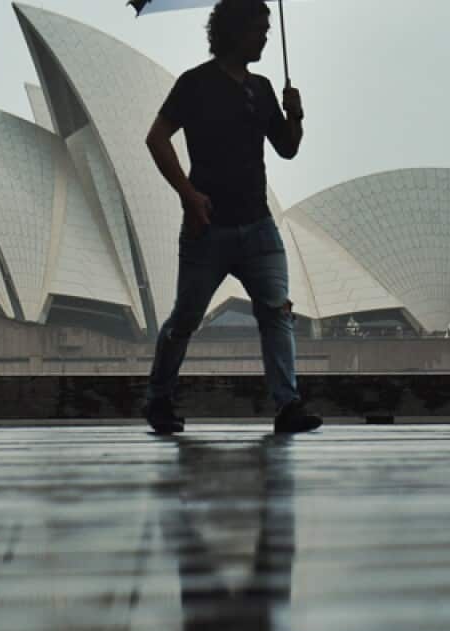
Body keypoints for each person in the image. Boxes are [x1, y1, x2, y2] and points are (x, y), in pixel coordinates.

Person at [144, 0, 322, 435]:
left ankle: (288, 405)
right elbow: (156, 138)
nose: (264, 37)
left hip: (258, 225)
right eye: (259, 29)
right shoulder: (195, 84)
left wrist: (294, 114)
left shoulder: (260, 89)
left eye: (267, 29)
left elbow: (287, 147)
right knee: (185, 319)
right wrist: (188, 195)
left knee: (277, 313)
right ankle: (159, 400)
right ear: (234, 31)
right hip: (209, 227)